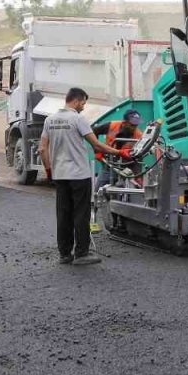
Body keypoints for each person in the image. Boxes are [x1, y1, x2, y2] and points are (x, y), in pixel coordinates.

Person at [38, 87, 124, 266]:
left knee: (63, 214)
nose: (83, 107)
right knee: (81, 213)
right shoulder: (78, 119)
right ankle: (82, 253)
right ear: (76, 101)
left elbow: (42, 148)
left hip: (60, 175)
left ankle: (64, 254)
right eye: (83, 103)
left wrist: (48, 170)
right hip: (79, 175)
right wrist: (121, 153)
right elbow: (97, 145)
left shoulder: (49, 120)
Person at [92, 109, 143, 188]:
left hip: (125, 166)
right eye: (132, 125)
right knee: (99, 189)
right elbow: (94, 131)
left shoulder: (138, 135)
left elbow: (139, 156)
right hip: (109, 163)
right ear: (124, 122)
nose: (134, 127)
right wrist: (97, 150)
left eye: (136, 125)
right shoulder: (112, 125)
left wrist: (138, 176)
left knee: (125, 191)